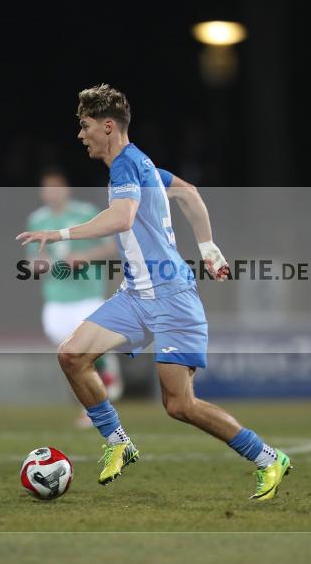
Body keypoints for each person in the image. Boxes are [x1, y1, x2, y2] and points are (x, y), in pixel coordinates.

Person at [16, 84, 291, 500]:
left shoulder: (127, 165)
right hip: (136, 295)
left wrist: (59, 234)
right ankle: (118, 442)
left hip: (171, 296)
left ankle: (269, 458)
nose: (81, 134)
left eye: (86, 125)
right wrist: (208, 248)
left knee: (180, 405)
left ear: (108, 127)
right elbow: (188, 194)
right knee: (72, 354)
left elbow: (122, 218)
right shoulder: (141, 164)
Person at [26, 167, 123, 426]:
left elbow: (113, 245)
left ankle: (93, 403)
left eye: (56, 187)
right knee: (67, 350)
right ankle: (104, 372)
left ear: (66, 190)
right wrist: (43, 264)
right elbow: (33, 260)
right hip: (56, 296)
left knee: (81, 352)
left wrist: (85, 257)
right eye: (47, 189)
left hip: (86, 291)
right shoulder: (37, 220)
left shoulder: (85, 213)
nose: (52, 193)